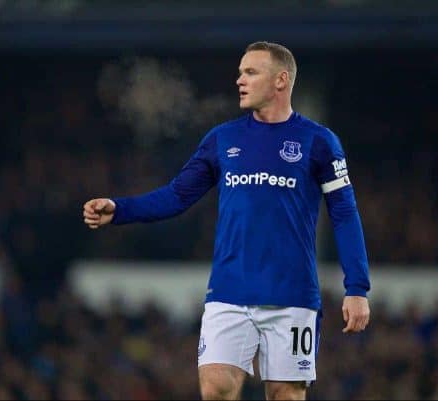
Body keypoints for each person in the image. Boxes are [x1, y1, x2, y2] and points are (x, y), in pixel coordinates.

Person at [82, 41, 370, 400]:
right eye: (239, 72)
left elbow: (344, 211)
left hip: (292, 296)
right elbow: (177, 195)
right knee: (216, 387)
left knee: (286, 395)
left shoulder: (318, 142)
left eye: (251, 72)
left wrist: (357, 287)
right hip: (229, 293)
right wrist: (120, 209)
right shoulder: (223, 139)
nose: (240, 80)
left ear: (281, 80)